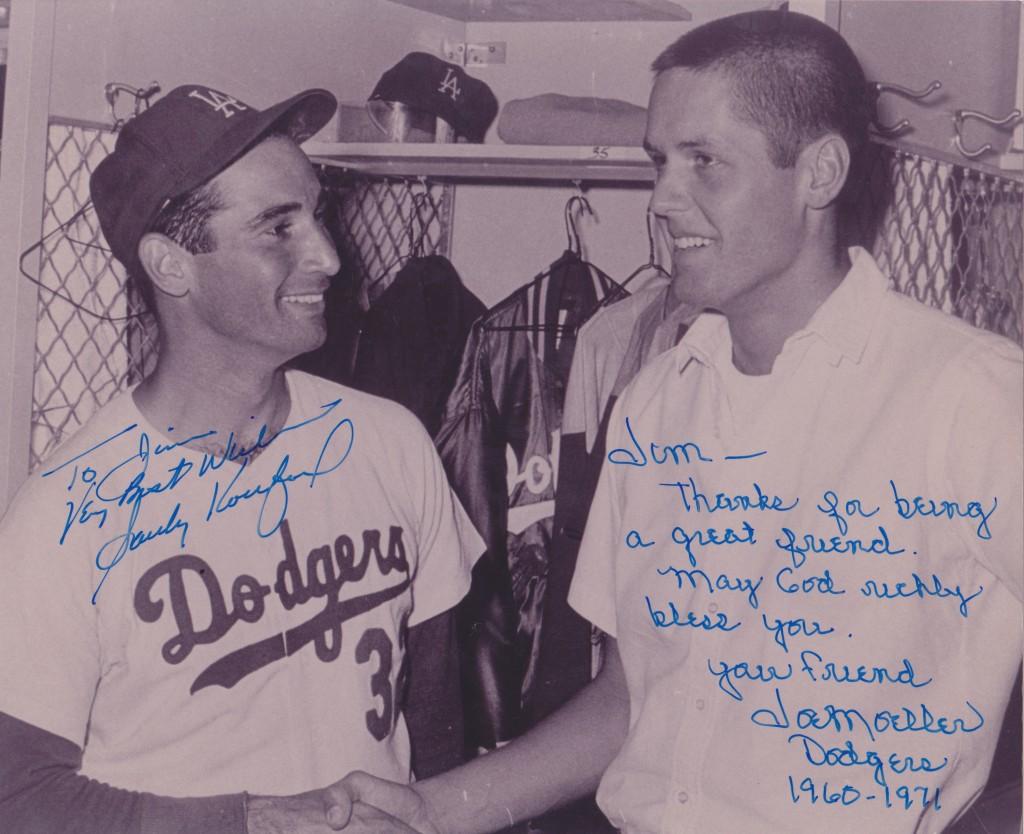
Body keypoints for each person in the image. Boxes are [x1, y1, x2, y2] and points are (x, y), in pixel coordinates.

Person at [327, 9, 1023, 834]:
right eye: (660, 162)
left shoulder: (971, 398)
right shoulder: (657, 404)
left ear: (821, 172)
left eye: (705, 163)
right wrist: (431, 811)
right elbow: (631, 698)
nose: (661, 199)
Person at [0, 84, 482, 833]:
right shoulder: (64, 515)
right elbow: (18, 798)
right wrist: (250, 820)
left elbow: (438, 719)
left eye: (317, 214)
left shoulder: (391, 442)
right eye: (277, 228)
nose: (327, 255)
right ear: (171, 265)